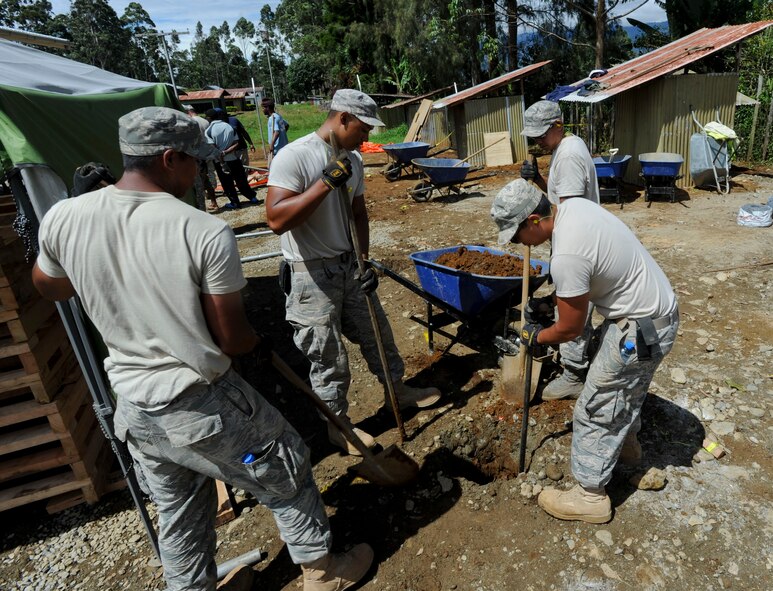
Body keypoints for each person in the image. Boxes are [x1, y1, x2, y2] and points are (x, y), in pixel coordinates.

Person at [32, 106, 373, 591]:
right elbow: (231, 339)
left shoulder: (65, 216)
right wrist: (254, 345)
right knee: (287, 464)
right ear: (170, 158)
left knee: (179, 509)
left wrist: (88, 248)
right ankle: (322, 571)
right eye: (196, 162)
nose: (201, 172)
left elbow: (51, 287)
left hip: (133, 407)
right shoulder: (202, 230)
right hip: (197, 402)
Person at [491, 178, 679, 524]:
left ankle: (590, 496)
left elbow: (571, 329)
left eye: (517, 235)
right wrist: (552, 302)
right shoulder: (573, 208)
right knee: (624, 390)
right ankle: (627, 450)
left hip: (639, 327)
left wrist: (537, 338)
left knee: (595, 405)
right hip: (653, 314)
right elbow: (593, 275)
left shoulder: (567, 256)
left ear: (534, 220)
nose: (519, 244)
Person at [265, 89, 441, 456]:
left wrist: (365, 259)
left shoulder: (354, 160)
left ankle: (398, 391)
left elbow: (358, 213)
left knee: (378, 335)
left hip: (349, 266)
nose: (367, 137)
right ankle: (337, 426)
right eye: (363, 128)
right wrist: (325, 183)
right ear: (342, 118)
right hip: (310, 276)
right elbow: (276, 220)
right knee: (328, 357)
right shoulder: (293, 156)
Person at [519, 100, 600, 401]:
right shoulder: (567, 147)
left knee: (574, 307)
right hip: (579, 240)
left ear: (558, 125)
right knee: (574, 303)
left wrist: (536, 230)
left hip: (577, 245)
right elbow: (561, 198)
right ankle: (573, 352)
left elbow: (568, 214)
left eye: (542, 133)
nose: (538, 140)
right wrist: (538, 179)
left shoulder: (566, 158)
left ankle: (574, 375)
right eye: (534, 135)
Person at [204, 108, 258, 210]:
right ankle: (252, 197)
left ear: (209, 118)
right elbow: (236, 143)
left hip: (220, 162)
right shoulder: (228, 126)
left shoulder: (208, 131)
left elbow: (213, 148)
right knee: (241, 179)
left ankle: (235, 203)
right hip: (234, 158)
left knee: (227, 183)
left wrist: (222, 158)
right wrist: (227, 152)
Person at [183, 104, 219, 211]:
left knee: (201, 180)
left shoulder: (190, 122)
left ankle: (205, 200)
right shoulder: (205, 121)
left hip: (197, 155)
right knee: (210, 175)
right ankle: (213, 198)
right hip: (207, 151)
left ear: (188, 112)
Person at [262, 98, 289, 163]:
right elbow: (287, 125)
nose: (262, 110)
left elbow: (276, 132)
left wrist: (271, 145)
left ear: (267, 108)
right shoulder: (278, 116)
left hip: (276, 149)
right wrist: (283, 135)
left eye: (263, 108)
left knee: (272, 166)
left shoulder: (272, 118)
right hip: (283, 147)